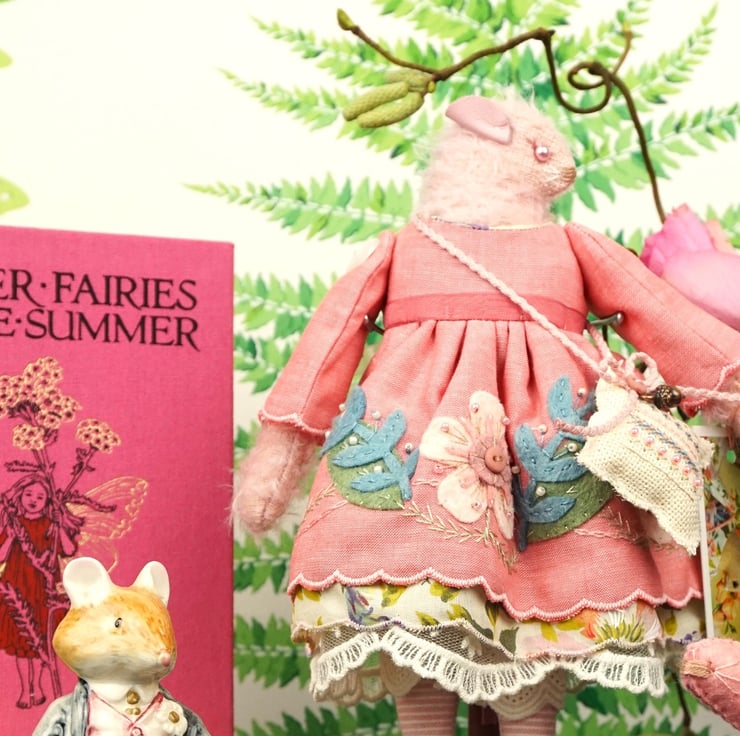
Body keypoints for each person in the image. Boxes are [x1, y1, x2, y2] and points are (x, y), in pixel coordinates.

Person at [0, 474, 78, 709]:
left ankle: (39, 686)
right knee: (21, 642)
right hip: (17, 586)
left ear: (48, 502)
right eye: (28, 494)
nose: (33, 500)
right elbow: (1, 556)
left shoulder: (50, 525)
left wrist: (59, 525)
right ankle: (27, 689)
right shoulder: (14, 523)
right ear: (20, 496)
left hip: (43, 589)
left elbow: (69, 549)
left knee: (41, 641)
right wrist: (11, 537)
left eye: (40, 496)